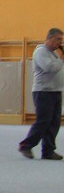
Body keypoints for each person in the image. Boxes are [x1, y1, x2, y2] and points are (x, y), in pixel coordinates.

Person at [18, 28, 64, 160]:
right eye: (58, 39)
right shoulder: (40, 52)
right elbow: (49, 68)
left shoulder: (54, 54)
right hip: (43, 92)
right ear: (49, 38)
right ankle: (26, 145)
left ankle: (48, 151)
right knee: (43, 121)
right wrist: (61, 60)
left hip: (55, 91)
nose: (60, 43)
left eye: (62, 40)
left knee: (54, 122)